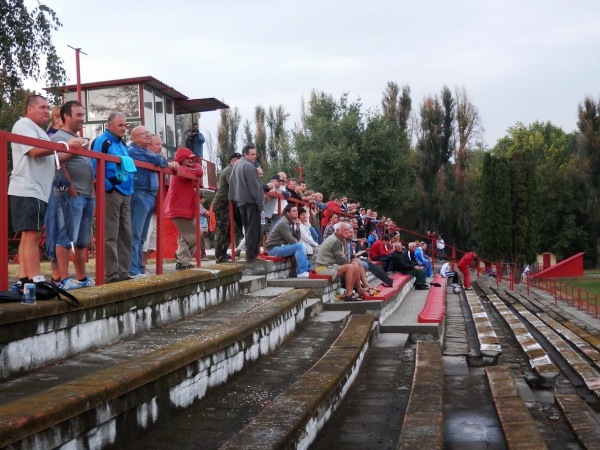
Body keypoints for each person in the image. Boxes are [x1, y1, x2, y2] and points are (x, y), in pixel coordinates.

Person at [9, 95, 83, 288]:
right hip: (27, 187)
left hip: (38, 189)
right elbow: (34, 151)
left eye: (48, 107)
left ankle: (25, 280)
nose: (47, 111)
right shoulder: (23, 125)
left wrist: (75, 149)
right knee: (32, 235)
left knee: (29, 234)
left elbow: (54, 158)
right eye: (42, 107)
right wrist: (66, 144)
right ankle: (34, 278)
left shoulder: (41, 132)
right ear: (29, 109)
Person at [50, 101, 96, 290]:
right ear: (66, 116)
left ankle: (82, 278)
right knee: (65, 236)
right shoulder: (59, 137)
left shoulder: (81, 139)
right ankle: (63, 279)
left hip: (87, 195)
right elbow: (57, 163)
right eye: (78, 115)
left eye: (83, 115)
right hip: (70, 194)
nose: (82, 119)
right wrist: (71, 189)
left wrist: (91, 192)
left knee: (81, 240)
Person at [91, 112, 136, 283]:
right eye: (120, 125)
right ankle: (111, 274)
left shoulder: (123, 144)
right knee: (111, 233)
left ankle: (123, 272)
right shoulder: (103, 141)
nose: (124, 128)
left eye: (125, 125)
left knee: (126, 234)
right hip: (112, 191)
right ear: (110, 126)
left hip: (126, 192)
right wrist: (107, 186)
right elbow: (94, 164)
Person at [128, 126, 177, 278]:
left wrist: (164, 162)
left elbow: (157, 159)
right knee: (136, 234)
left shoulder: (146, 151)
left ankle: (140, 268)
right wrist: (168, 164)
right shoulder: (133, 150)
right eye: (144, 134)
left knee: (142, 235)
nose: (147, 135)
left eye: (148, 133)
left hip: (149, 196)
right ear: (135, 137)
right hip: (140, 194)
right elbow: (156, 160)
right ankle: (133, 269)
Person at [164, 147, 203, 270]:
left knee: (184, 236)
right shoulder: (179, 170)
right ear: (181, 159)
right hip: (180, 210)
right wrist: (196, 165)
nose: (192, 160)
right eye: (189, 158)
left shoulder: (181, 169)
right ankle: (181, 257)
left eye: (193, 158)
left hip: (182, 210)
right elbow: (199, 172)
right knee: (197, 233)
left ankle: (182, 260)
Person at [228, 144, 264, 263]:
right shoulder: (249, 166)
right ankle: (252, 256)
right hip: (251, 202)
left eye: (255, 154)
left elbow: (232, 184)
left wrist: (234, 199)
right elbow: (255, 187)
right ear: (245, 154)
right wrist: (260, 204)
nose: (255, 156)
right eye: (252, 154)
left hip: (240, 202)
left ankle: (250, 254)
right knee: (254, 230)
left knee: (248, 229)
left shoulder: (237, 165)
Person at [314, 222, 365, 301]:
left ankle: (354, 291)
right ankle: (349, 294)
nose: (347, 232)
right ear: (337, 230)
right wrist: (344, 258)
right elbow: (341, 260)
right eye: (344, 230)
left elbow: (345, 257)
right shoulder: (335, 240)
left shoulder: (342, 239)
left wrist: (344, 257)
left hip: (331, 265)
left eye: (348, 230)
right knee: (350, 267)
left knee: (354, 264)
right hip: (323, 268)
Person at [142, 134, 168, 268]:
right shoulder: (144, 156)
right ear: (149, 145)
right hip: (145, 202)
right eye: (157, 144)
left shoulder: (159, 159)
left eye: (161, 144)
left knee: (153, 240)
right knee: (144, 238)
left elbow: (163, 162)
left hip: (156, 204)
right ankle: (138, 266)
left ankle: (143, 265)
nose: (160, 147)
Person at [265, 204, 310, 278]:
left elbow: (296, 239)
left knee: (301, 246)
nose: (296, 212)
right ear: (288, 213)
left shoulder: (290, 221)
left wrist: (298, 228)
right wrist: (299, 245)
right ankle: (301, 272)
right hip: (273, 249)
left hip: (281, 247)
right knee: (300, 246)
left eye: (296, 211)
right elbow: (292, 241)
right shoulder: (284, 223)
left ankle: (305, 270)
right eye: (294, 211)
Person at [212, 152, 242, 263]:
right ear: (233, 160)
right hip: (222, 203)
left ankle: (223, 253)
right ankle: (219, 255)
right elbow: (235, 185)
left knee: (229, 229)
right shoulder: (230, 170)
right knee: (222, 229)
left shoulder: (233, 170)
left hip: (228, 203)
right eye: (239, 161)